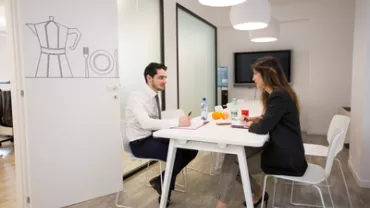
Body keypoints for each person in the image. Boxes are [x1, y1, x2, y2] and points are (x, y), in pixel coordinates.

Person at [216, 57, 308, 208]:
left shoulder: (278, 96)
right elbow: (272, 118)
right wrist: (257, 118)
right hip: (285, 149)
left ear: (265, 75)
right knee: (233, 157)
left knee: (233, 163)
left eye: (255, 74)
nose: (253, 79)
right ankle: (253, 195)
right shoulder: (281, 93)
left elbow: (262, 129)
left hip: (286, 158)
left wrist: (249, 123)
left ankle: (228, 202)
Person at [125, 62, 198, 205]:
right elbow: (146, 123)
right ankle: (165, 194)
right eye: (160, 77)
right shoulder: (136, 97)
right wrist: (177, 122)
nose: (165, 81)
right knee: (175, 155)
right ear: (149, 78)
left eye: (165, 77)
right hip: (139, 143)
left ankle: (161, 181)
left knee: (191, 150)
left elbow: (156, 121)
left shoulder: (153, 95)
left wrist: (179, 122)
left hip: (152, 137)